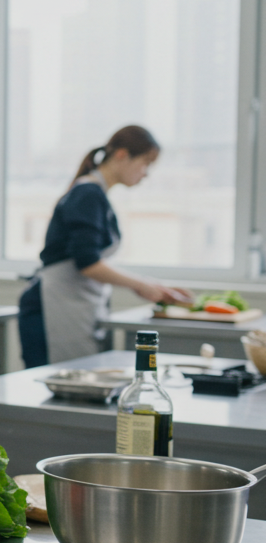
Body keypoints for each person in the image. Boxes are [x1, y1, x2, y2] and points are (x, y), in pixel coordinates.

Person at [18, 125, 192, 367]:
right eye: (145, 163)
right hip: (51, 308)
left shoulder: (95, 194)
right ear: (122, 155)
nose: (146, 173)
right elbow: (88, 263)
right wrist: (142, 285)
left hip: (73, 304)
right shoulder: (88, 194)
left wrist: (147, 286)